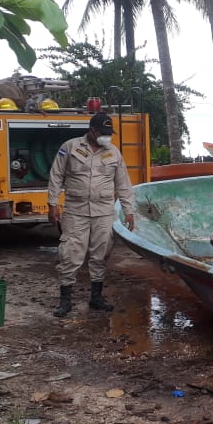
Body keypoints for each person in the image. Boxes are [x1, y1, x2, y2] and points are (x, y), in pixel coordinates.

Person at [47, 112, 136, 317]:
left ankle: (96, 297)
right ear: (92, 130)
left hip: (104, 212)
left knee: (101, 255)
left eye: (109, 133)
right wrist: (53, 203)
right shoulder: (70, 147)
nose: (106, 136)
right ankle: (65, 300)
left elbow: (123, 184)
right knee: (70, 254)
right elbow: (56, 176)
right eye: (103, 132)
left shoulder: (113, 153)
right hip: (76, 211)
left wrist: (129, 211)